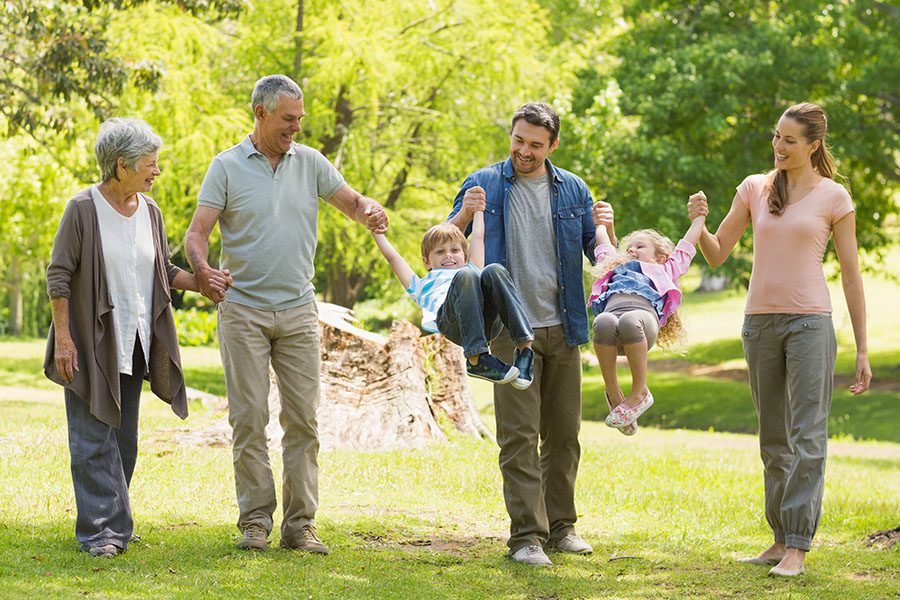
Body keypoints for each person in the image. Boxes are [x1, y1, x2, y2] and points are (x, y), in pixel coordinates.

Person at [184, 74, 388, 554]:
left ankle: (301, 526)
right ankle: (255, 521)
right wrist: (204, 271)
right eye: (287, 119)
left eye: (299, 118)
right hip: (244, 311)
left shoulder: (311, 163)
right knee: (249, 418)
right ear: (260, 113)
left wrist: (370, 211)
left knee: (303, 421)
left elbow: (351, 203)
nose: (296, 127)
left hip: (297, 311)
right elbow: (198, 234)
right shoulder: (227, 166)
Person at [687, 102, 872, 577]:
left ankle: (797, 546)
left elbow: (852, 276)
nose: (779, 147)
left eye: (790, 141)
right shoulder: (754, 187)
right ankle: (777, 540)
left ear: (813, 145)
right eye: (776, 137)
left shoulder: (835, 197)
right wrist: (699, 223)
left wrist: (864, 349)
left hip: (810, 323)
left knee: (807, 434)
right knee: (773, 438)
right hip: (759, 324)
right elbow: (717, 254)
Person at [44, 118, 231, 557]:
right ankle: (101, 532)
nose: (156, 171)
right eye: (150, 163)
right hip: (90, 342)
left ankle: (113, 522)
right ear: (121, 164)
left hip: (135, 338)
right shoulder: (83, 209)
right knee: (92, 439)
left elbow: (162, 271)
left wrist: (201, 282)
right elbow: (59, 276)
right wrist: (65, 340)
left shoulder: (150, 211)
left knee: (123, 439)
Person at [448, 102, 614, 566]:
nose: (524, 150)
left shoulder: (574, 190)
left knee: (564, 435)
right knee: (519, 436)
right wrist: (464, 215)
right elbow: (445, 247)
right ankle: (526, 536)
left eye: (535, 145)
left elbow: (600, 258)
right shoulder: (483, 183)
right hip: (507, 330)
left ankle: (562, 528)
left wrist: (607, 228)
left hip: (563, 326)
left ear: (552, 145)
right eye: (518, 140)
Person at [372, 206, 535, 388]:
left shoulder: (472, 268)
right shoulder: (422, 285)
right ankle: (476, 359)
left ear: (464, 256)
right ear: (427, 261)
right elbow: (394, 258)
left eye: (455, 250)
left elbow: (478, 236)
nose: (448, 255)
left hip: (487, 322)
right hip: (454, 325)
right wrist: (377, 233)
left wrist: (478, 210)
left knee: (494, 270)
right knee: (466, 276)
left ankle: (524, 350)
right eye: (440, 252)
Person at [589, 195, 706, 435]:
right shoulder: (614, 265)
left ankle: (640, 391)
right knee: (602, 321)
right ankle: (613, 392)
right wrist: (600, 223)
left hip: (642, 324)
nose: (631, 249)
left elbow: (687, 244)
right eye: (630, 246)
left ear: (660, 257)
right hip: (612, 326)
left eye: (640, 247)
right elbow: (602, 243)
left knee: (631, 320)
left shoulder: (666, 268)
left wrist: (699, 218)